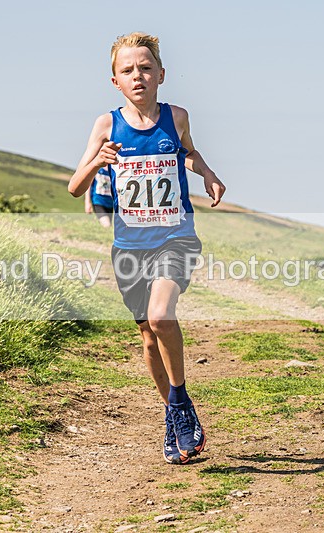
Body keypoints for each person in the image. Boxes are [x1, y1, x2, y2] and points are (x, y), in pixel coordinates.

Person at [68, 32, 226, 464]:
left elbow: (187, 154)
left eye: (145, 68)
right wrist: (98, 161)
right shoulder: (106, 125)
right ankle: (174, 415)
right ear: (115, 80)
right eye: (127, 70)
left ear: (161, 74)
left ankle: (179, 402)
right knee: (148, 336)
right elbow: (73, 186)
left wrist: (207, 172)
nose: (137, 76)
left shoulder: (176, 116)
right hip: (129, 247)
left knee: (161, 316)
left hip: (176, 236)